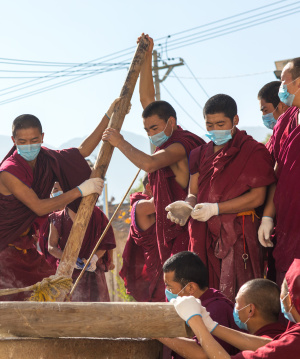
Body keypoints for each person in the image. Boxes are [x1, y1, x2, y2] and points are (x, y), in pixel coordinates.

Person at [0, 99, 115, 300]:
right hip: (2, 252)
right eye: (22, 142)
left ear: (42, 137)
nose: (29, 146)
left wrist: (109, 115)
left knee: (56, 295)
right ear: (13, 140)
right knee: (11, 307)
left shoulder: (45, 158)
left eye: (34, 140)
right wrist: (80, 190)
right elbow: (40, 207)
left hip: (27, 250)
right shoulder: (9, 171)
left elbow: (81, 152)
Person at [102, 34, 205, 265]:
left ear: (171, 122)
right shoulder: (167, 136)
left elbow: (149, 164)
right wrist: (147, 55)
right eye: (147, 129)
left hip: (182, 228)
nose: (151, 134)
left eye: (154, 128)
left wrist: (119, 142)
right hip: (166, 226)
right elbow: (147, 98)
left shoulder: (179, 145)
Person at [167, 94, 275, 301]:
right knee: (203, 289)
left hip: (239, 231)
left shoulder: (252, 151)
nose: (215, 130)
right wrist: (186, 205)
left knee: (238, 291)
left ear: (235, 120)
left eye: (220, 124)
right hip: (203, 231)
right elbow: (194, 192)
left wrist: (216, 208)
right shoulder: (199, 154)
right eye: (209, 124)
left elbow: (258, 197)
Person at [172, 258, 300, 358]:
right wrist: (212, 327)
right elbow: (271, 345)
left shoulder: (294, 341)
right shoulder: (289, 338)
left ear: (290, 300)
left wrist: (195, 322)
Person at [161, 278, 285, 359]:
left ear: (250, 310)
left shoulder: (274, 348)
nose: (234, 307)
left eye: (237, 303)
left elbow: (207, 355)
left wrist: (195, 321)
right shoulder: (285, 337)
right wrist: (211, 326)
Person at [258, 58, 300, 286]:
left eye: (284, 82)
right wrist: (267, 216)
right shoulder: (286, 121)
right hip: (288, 221)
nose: (281, 88)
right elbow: (273, 171)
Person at [158, 251, 240, 358]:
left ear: (191, 288)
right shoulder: (197, 303)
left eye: (170, 288)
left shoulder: (216, 308)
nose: (167, 292)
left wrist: (159, 334)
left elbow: (203, 355)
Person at [48, 199, 116, 302]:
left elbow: (105, 243)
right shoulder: (57, 217)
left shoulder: (97, 214)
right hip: (67, 274)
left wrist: (94, 258)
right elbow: (51, 247)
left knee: (98, 313)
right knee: (68, 312)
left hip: (94, 273)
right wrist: (70, 258)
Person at [120, 175, 165, 302]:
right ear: (149, 187)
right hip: (155, 265)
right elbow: (163, 202)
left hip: (164, 259)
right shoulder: (140, 205)